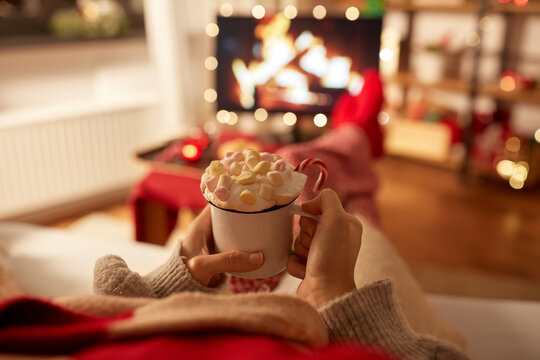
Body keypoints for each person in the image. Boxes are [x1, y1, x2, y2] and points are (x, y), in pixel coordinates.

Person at [94, 70, 470, 359]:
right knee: (359, 222)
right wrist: (329, 291)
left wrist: (172, 282)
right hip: (333, 319)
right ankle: (353, 142)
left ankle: (341, 150)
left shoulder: (63, 336)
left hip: (187, 299)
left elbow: (104, 316)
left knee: (308, 183)